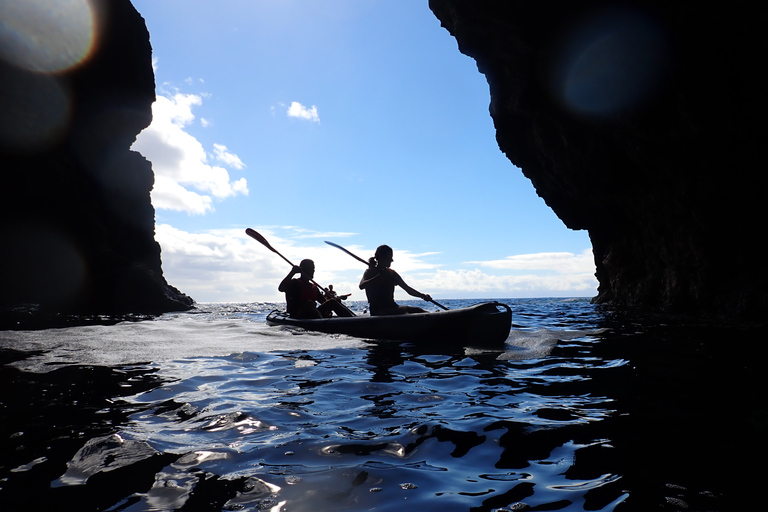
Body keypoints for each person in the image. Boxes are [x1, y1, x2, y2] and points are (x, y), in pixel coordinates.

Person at [359, 244, 433, 316]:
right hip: (378, 310)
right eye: (389, 257)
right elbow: (361, 286)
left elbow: (408, 289)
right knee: (404, 314)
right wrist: (378, 277)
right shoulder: (370, 272)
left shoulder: (391, 273)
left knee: (418, 311)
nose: (391, 260)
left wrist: (422, 296)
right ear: (380, 258)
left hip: (393, 306)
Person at [279, 259, 353, 319]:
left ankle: (351, 319)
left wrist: (337, 300)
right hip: (297, 315)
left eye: (313, 269)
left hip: (313, 315)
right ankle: (322, 324)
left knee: (332, 302)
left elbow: (323, 301)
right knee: (310, 303)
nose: (313, 271)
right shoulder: (295, 283)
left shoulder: (314, 287)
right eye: (310, 269)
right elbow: (281, 288)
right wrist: (292, 272)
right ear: (303, 270)